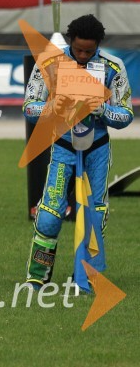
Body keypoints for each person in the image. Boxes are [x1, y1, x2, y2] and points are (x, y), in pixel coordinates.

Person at [23, 15, 134, 288]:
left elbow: (127, 114)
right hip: (63, 147)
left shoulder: (112, 66)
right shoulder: (49, 63)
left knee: (94, 213)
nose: (83, 55)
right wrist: (52, 109)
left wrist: (104, 111)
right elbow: (29, 106)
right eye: (78, 49)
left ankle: (85, 278)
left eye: (89, 51)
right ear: (70, 41)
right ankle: (37, 278)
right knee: (48, 215)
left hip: (97, 149)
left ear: (98, 45)